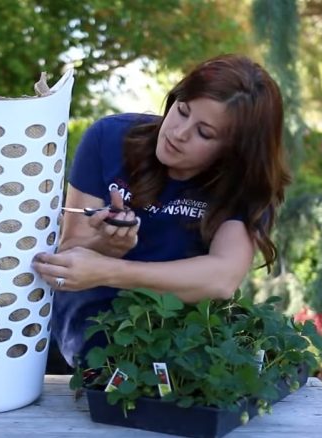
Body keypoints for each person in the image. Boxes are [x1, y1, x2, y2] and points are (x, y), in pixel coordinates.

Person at [33, 54, 291, 370]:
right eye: (181, 111)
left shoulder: (244, 186)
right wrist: (108, 245)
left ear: (235, 150)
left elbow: (222, 277)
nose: (178, 133)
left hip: (171, 351)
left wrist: (111, 269)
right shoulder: (110, 138)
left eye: (204, 133)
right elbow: (69, 255)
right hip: (76, 341)